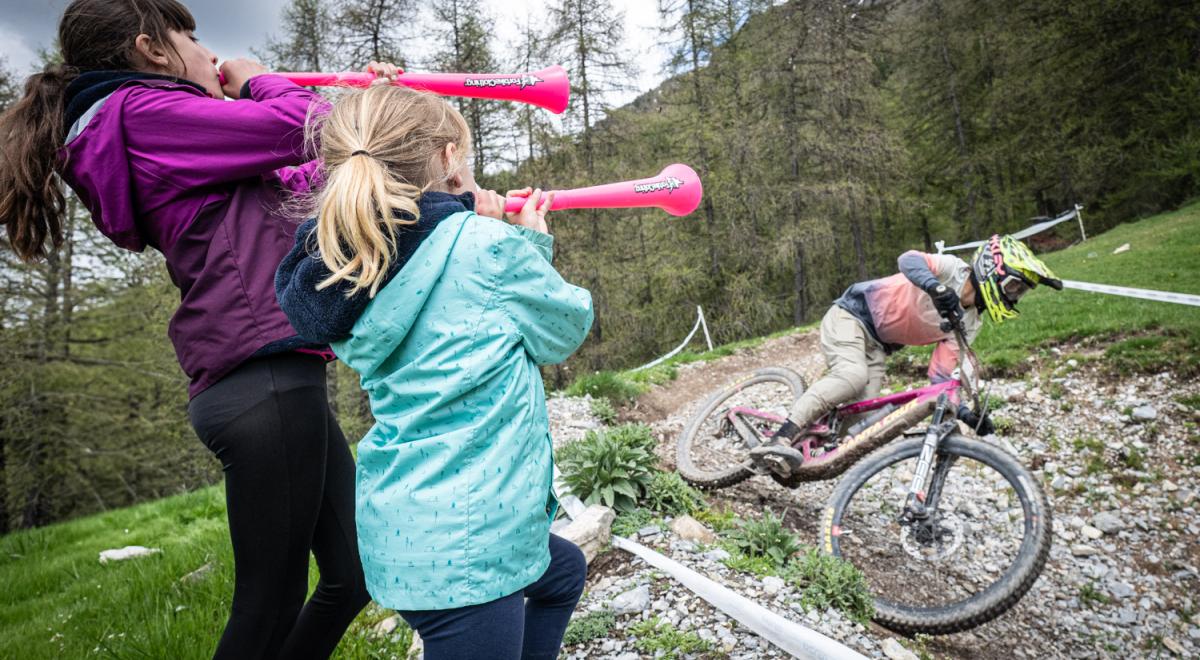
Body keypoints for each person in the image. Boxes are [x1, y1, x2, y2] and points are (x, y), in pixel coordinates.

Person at [0, 1, 399, 656]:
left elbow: (308, 174)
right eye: (192, 36)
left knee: (353, 576)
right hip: (261, 384)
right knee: (266, 610)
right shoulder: (143, 114)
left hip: (272, 375)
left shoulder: (162, 129)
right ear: (151, 49)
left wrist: (374, 111)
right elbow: (301, 122)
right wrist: (259, 77)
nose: (208, 53)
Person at [275, 84, 594, 660]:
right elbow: (562, 331)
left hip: (406, 526)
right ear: (449, 157)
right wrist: (523, 239)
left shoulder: (353, 256)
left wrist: (478, 226)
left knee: (563, 570)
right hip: (469, 544)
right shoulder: (488, 247)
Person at [757, 235, 1062, 479]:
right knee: (851, 376)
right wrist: (935, 286)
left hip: (877, 345)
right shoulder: (953, 269)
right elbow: (908, 260)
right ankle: (780, 438)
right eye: (1013, 287)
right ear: (991, 270)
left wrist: (966, 414)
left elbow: (942, 377)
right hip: (850, 315)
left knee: (862, 419)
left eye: (1019, 293)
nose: (1013, 297)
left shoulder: (970, 323)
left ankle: (801, 454)